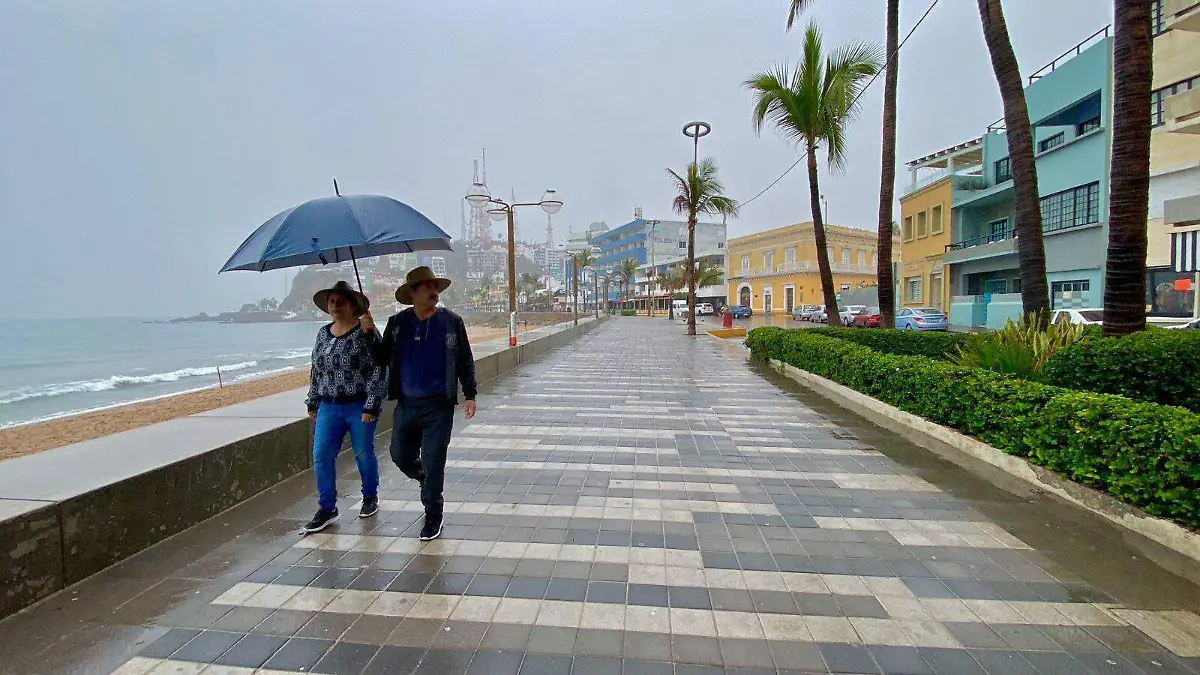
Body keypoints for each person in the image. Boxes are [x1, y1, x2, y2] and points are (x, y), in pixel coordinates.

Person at [362, 266, 477, 541]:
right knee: (400, 455)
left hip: (440, 407)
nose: (434, 291)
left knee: (434, 462)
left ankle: (433, 514)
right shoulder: (398, 324)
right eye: (427, 287)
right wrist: (368, 332)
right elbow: (380, 357)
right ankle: (426, 481)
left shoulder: (452, 322)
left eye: (435, 286)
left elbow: (465, 359)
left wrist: (470, 394)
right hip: (407, 405)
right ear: (413, 292)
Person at [302, 280, 386, 533]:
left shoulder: (366, 331)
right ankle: (327, 507)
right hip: (329, 406)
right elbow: (316, 370)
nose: (335, 305)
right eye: (332, 301)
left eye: (341, 300)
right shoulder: (322, 334)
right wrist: (313, 400)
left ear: (353, 305)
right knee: (321, 456)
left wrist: (371, 405)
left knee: (363, 452)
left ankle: (370, 496)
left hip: (359, 404)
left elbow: (380, 368)